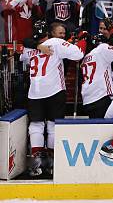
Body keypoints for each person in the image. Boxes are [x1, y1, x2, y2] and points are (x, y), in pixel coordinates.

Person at [20, 20, 85, 176]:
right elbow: (78, 54)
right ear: (48, 33)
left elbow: (23, 56)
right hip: (54, 90)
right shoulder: (55, 42)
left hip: (34, 92)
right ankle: (52, 162)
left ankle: (36, 164)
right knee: (52, 125)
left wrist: (35, 45)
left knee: (36, 125)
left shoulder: (28, 49)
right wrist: (82, 40)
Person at [80, 21, 113, 118]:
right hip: (101, 96)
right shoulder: (102, 49)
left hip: (88, 99)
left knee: (96, 128)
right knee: (105, 128)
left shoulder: (86, 57)